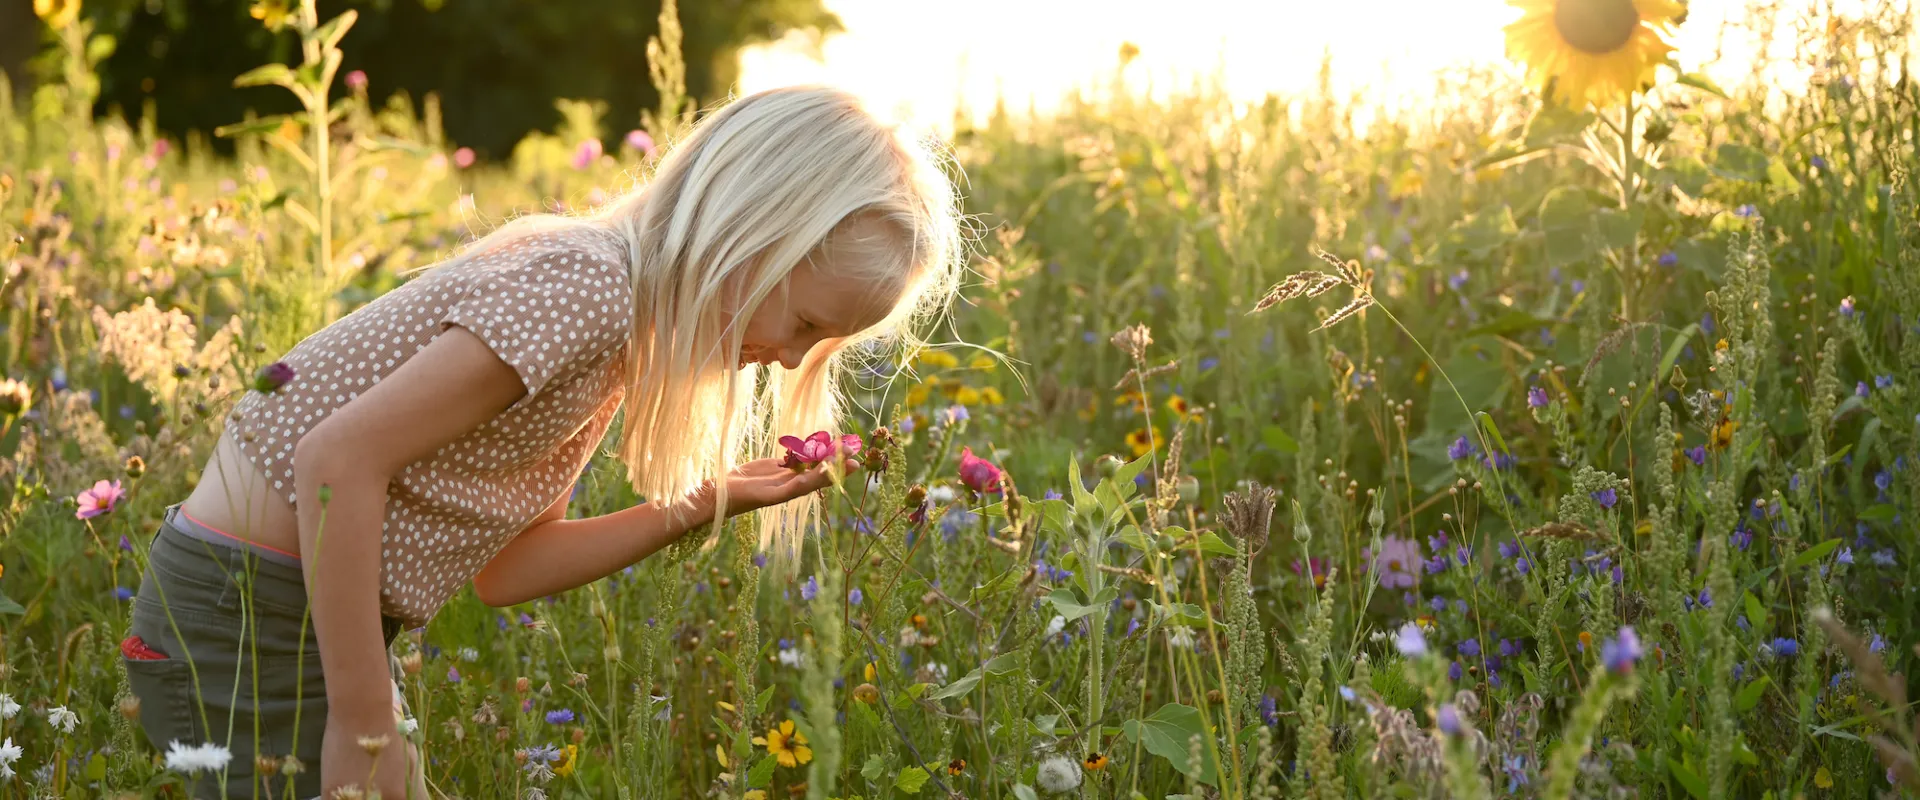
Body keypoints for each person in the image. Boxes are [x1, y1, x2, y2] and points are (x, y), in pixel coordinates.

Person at [119, 84, 966, 799]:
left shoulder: (616, 338)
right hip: (243, 617)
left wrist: (705, 503)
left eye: (820, 348)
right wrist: (365, 721)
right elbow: (337, 461)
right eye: (806, 322)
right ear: (753, 226)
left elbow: (508, 570)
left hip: (304, 615)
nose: (788, 358)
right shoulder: (589, 288)